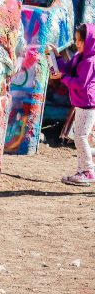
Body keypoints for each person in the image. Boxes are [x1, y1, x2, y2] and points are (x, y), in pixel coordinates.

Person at [49, 24, 95, 186]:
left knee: (81, 136)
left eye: (81, 40)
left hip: (88, 105)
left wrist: (63, 78)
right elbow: (66, 70)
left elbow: (81, 84)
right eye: (76, 40)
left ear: (89, 41)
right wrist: (57, 57)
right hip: (81, 103)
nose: (78, 43)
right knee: (79, 136)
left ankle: (88, 171)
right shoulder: (78, 56)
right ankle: (82, 171)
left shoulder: (89, 61)